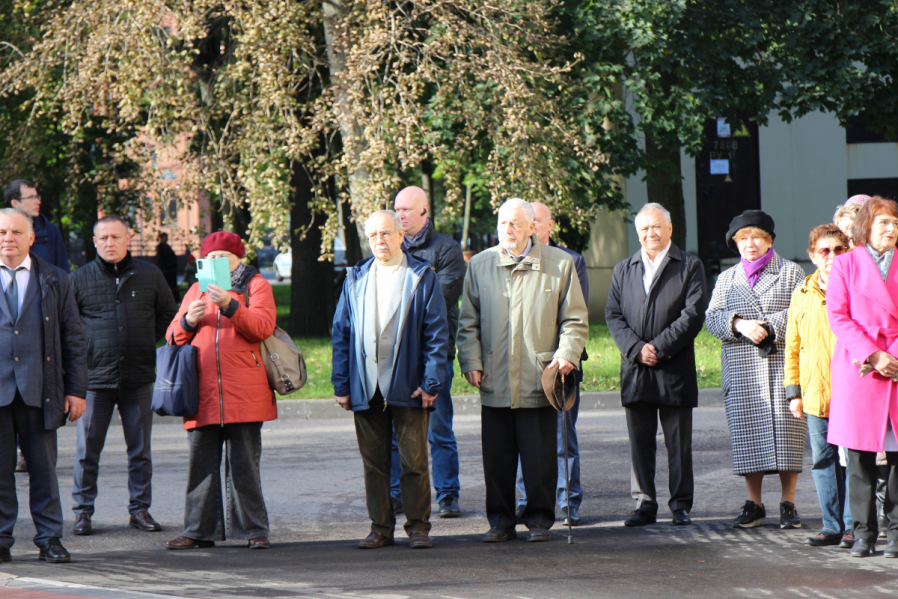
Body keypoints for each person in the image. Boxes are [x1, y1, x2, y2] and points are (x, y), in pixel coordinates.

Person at [457, 198, 588, 543]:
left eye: (516, 224)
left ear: (533, 227)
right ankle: (500, 521)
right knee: (497, 460)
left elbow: (574, 319)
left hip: (539, 375)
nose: (508, 230)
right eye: (503, 224)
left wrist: (566, 355)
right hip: (495, 376)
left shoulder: (560, 264)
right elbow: (467, 322)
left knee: (540, 458)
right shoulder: (480, 264)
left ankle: (540, 521)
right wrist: (470, 361)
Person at [331, 210, 449, 550]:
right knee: (374, 464)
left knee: (414, 462)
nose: (379, 241)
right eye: (373, 236)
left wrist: (431, 382)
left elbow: (437, 335)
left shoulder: (421, 276)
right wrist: (342, 384)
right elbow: (341, 334)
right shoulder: (355, 277)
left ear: (400, 236)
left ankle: (418, 528)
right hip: (366, 386)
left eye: (385, 234)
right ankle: (380, 528)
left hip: (409, 385)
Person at [164, 231, 277, 550]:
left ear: (238, 259)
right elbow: (172, 337)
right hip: (201, 392)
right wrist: (187, 321)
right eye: (210, 259)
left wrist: (230, 306)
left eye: (222, 258)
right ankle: (198, 530)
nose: (215, 264)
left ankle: (254, 529)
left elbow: (262, 327)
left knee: (244, 465)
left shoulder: (256, 285)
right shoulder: (195, 290)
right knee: (200, 464)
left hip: (245, 392)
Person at [69, 216, 179, 536]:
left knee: (140, 449)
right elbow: (69, 328)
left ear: (128, 239)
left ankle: (140, 509)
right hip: (95, 380)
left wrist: (147, 339)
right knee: (87, 451)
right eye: (103, 238)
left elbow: (168, 314)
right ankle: (83, 511)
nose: (109, 243)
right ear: (94, 242)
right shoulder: (79, 280)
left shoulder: (150, 274)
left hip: (138, 375)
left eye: (116, 237)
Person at [605, 203, 706, 527]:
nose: (651, 233)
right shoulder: (624, 268)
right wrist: (636, 349)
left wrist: (659, 348)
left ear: (670, 228)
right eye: (645, 229)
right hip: (637, 371)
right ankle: (645, 504)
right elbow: (613, 315)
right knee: (640, 443)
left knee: (678, 444)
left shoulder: (689, 265)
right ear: (638, 233)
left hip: (673, 369)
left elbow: (692, 315)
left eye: (656, 227)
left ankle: (680, 505)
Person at [706, 210, 806, 530]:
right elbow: (712, 317)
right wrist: (739, 324)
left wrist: (769, 326)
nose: (749, 244)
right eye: (742, 238)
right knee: (748, 437)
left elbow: (802, 312)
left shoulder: (791, 272)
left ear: (769, 241)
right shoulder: (727, 278)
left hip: (781, 363)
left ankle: (788, 502)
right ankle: (755, 503)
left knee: (789, 433)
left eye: (756, 237)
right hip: (743, 368)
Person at [0, 207, 87, 564]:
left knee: (43, 471)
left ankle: (49, 538)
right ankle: (1, 539)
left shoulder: (55, 279)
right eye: (2, 232)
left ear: (31, 237)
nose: (8, 239)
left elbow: (74, 337)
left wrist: (77, 390)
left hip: (41, 388)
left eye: (16, 232)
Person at [826, 196, 898, 558]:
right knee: (859, 459)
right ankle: (864, 533)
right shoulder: (845, 265)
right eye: (883, 222)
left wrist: (893, 356)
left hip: (897, 367)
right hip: (861, 368)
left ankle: (897, 535)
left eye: (895, 223)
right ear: (865, 227)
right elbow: (838, 317)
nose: (891, 229)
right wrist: (873, 354)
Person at [513, 201, 590, 527]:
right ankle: (524, 501)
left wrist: (564, 356)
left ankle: (567, 501)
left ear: (547, 226)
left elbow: (574, 314)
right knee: (521, 441)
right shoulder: (509, 258)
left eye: (536, 221)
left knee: (562, 439)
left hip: (561, 366)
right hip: (521, 366)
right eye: (525, 222)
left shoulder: (570, 261)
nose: (529, 227)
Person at [390, 186, 464, 519]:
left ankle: (447, 494)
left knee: (439, 429)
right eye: (397, 209)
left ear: (424, 211)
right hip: (395, 354)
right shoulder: (388, 246)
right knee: (395, 430)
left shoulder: (446, 249)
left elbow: (438, 299)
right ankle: (396, 493)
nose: (400, 215)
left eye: (406, 209)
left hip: (436, 351)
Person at [783, 224, 852, 548]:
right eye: (824, 250)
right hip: (814, 393)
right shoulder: (802, 293)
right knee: (823, 461)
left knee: (853, 462)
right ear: (812, 255)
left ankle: (854, 525)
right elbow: (792, 346)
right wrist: (793, 391)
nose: (832, 256)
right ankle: (831, 525)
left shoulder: (855, 288)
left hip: (851, 392)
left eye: (839, 249)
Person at [5, 179, 69, 474]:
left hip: (39, 320)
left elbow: (61, 272)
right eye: (30, 197)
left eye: (37, 195)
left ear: (30, 238)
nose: (37, 201)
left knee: (43, 469)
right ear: (15, 203)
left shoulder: (50, 231)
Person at [156, 232, 180, 302]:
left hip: (171, 270)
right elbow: (160, 259)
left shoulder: (168, 246)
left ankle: (175, 299)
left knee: (173, 285)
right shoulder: (160, 247)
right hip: (165, 270)